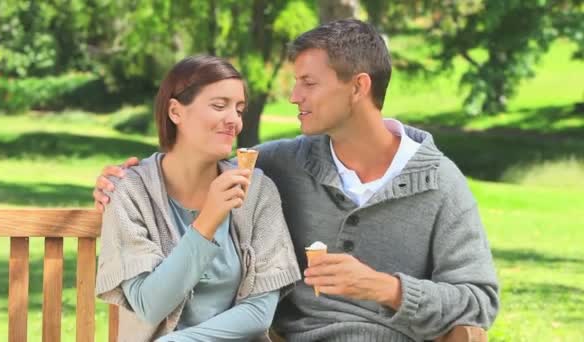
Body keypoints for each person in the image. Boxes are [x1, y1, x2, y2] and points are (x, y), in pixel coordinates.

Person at [94, 19, 499, 342]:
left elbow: (478, 302)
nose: (292, 95)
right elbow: (198, 162)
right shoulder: (280, 164)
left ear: (358, 87)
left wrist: (385, 288)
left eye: (308, 82)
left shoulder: (439, 183)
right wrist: (122, 183)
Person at [94, 55, 301, 342]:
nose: (234, 121)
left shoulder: (257, 190)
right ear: (176, 112)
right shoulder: (131, 191)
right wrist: (208, 219)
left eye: (239, 110)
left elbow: (258, 312)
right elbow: (148, 305)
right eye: (219, 106)